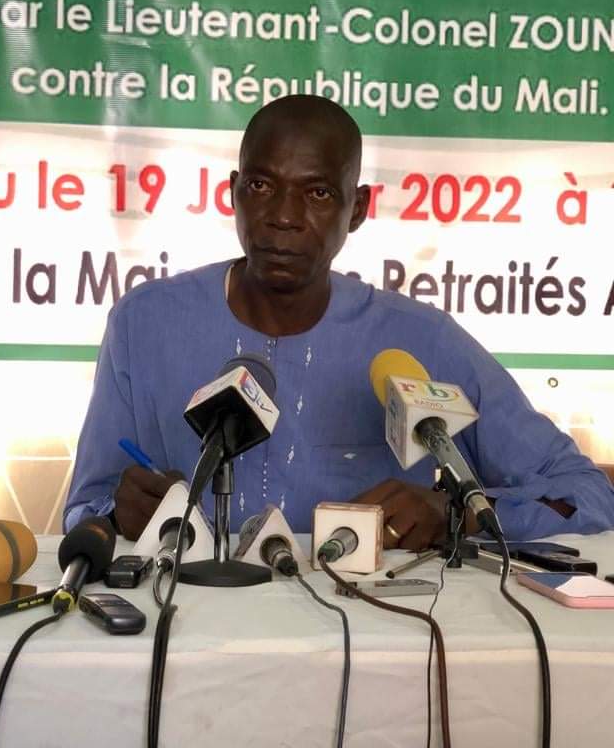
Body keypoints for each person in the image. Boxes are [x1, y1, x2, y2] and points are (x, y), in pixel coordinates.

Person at [64, 95, 614, 549]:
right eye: (261, 186)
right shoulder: (144, 324)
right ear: (233, 191)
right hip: (186, 625)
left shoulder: (420, 340)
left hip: (373, 632)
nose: (283, 216)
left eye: (318, 193)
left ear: (358, 209)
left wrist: (455, 514)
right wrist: (115, 512)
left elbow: (586, 494)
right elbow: (85, 507)